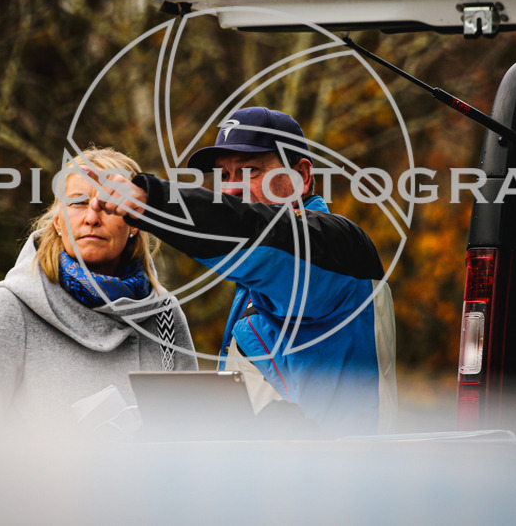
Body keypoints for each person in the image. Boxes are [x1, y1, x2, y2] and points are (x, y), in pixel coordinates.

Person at [93, 108, 397, 436]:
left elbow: (253, 229)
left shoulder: (337, 246)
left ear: (302, 177)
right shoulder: (255, 280)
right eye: (224, 176)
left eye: (250, 171)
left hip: (340, 479)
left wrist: (155, 202)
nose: (232, 189)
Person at [0, 147, 197, 436]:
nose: (92, 217)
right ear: (58, 221)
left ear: (135, 222)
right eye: (78, 202)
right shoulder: (11, 308)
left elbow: (190, 439)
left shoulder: (165, 317)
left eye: (110, 202)